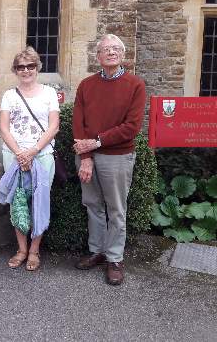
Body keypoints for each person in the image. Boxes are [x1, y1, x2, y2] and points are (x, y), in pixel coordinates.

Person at [72, 34, 146, 286]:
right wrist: (86, 156)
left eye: (115, 49)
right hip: (88, 156)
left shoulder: (135, 85)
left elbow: (131, 127)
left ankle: (114, 258)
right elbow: (78, 123)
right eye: (105, 49)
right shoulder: (86, 85)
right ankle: (97, 251)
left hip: (118, 157)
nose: (111, 52)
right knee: (92, 204)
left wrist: (97, 142)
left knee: (116, 209)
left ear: (122, 55)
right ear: (98, 56)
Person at [0, 47, 60, 271]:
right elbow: (4, 128)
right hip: (14, 156)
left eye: (30, 66)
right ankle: (21, 249)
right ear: (15, 70)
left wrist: (32, 151)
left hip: (41, 155)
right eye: (21, 67)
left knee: (39, 201)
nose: (26, 71)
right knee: (18, 201)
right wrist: (20, 154)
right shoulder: (8, 95)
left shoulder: (49, 93)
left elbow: (54, 126)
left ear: (38, 68)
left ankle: (34, 250)